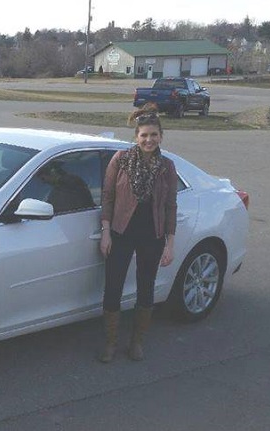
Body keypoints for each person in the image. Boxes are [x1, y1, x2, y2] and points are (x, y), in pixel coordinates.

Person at [98, 106, 178, 363]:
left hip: (151, 235)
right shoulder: (120, 160)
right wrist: (106, 232)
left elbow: (170, 206)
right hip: (121, 232)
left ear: (161, 136)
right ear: (136, 136)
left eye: (154, 135)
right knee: (113, 288)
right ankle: (110, 342)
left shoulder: (167, 166)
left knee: (146, 288)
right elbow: (108, 197)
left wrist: (170, 243)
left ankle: (137, 342)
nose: (149, 140)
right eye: (144, 135)